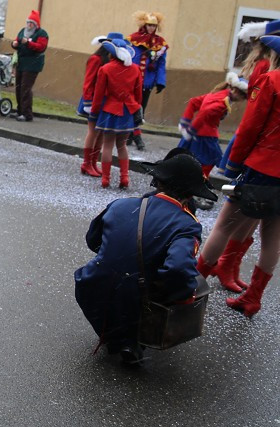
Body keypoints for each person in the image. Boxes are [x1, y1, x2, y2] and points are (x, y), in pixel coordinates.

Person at [196, 34, 280, 318]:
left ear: (279, 57)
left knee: (224, 226)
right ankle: (253, 299)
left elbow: (250, 127)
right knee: (272, 236)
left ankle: (192, 285)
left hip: (264, 166)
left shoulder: (273, 80)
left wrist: (232, 165)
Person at [74, 154, 213, 365]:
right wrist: (184, 297)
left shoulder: (120, 205)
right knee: (182, 283)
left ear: (157, 182)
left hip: (91, 286)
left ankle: (118, 336)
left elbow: (92, 240)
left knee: (120, 277)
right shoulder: (186, 224)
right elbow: (178, 270)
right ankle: (131, 339)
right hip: (135, 296)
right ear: (189, 196)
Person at [212, 19, 280, 290]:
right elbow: (255, 118)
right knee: (243, 216)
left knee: (253, 215)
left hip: (269, 150)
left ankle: (228, 264)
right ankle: (222, 265)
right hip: (260, 148)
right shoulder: (266, 69)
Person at [177, 72, 248, 178]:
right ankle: (202, 180)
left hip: (199, 134)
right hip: (206, 136)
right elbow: (205, 113)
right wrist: (191, 130)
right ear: (238, 93)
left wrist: (185, 122)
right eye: (244, 98)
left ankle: (192, 180)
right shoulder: (222, 102)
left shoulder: (217, 94)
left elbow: (193, 102)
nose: (242, 101)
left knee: (188, 158)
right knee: (213, 160)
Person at [92, 39, 141, 189]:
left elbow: (99, 94)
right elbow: (138, 95)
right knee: (122, 145)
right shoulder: (136, 69)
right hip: (127, 112)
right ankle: (124, 178)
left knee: (107, 146)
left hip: (109, 110)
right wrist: (135, 107)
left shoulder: (106, 69)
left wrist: (94, 110)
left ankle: (106, 178)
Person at [77, 34, 118, 177]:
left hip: (104, 100)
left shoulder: (110, 60)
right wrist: (88, 102)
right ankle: (86, 163)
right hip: (93, 100)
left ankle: (93, 162)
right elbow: (88, 82)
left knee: (100, 133)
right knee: (93, 132)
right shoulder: (96, 59)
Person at [128, 10, 168, 151]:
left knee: (141, 109)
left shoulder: (160, 44)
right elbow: (130, 59)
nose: (151, 28)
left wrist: (161, 81)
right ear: (144, 25)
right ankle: (135, 135)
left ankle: (132, 134)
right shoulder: (133, 39)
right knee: (132, 107)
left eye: (153, 26)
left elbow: (161, 64)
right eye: (149, 25)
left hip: (147, 82)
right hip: (133, 80)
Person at [10, 10, 48, 122]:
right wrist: (14, 44)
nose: (29, 25)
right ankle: (20, 110)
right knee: (18, 87)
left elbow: (41, 47)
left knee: (25, 88)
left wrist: (28, 43)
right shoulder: (23, 31)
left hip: (32, 64)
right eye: (28, 22)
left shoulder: (42, 34)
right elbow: (16, 41)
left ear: (36, 25)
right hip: (21, 62)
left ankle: (27, 114)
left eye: (31, 23)